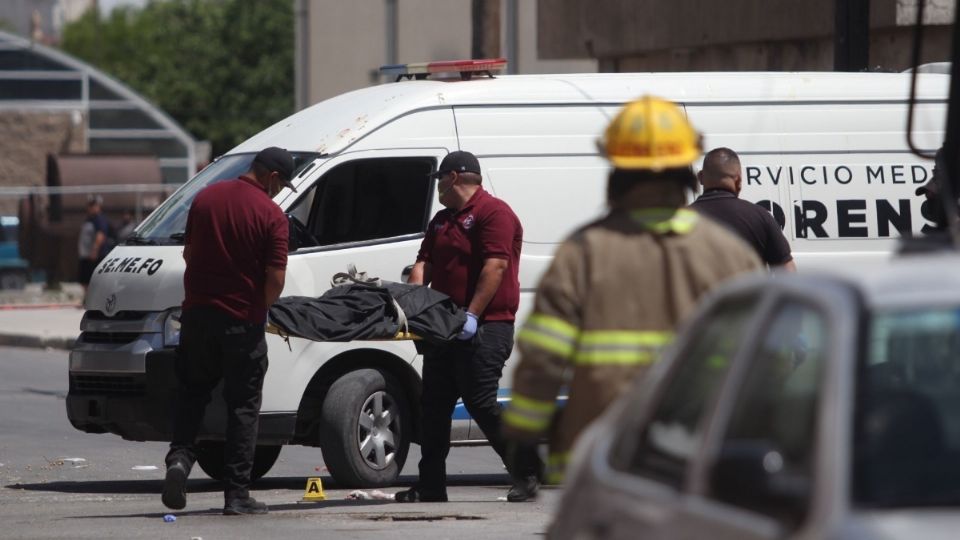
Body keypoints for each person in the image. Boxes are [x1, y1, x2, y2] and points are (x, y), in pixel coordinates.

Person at [502, 97, 763, 485]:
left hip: (600, 463)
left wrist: (523, 433)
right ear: (688, 172)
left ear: (616, 171)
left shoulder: (582, 252)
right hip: (698, 463)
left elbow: (543, 357)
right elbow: (761, 363)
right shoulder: (731, 256)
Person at [396, 150, 542, 503]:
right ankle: (431, 484)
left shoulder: (495, 213)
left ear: (455, 177)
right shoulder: (442, 220)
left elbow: (495, 267)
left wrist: (473, 315)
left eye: (440, 181)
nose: (438, 189)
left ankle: (526, 471)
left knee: (480, 401)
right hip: (444, 327)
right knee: (432, 406)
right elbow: (423, 264)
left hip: (487, 325)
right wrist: (413, 305)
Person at [162, 147, 296, 516]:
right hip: (241, 320)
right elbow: (275, 278)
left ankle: (180, 459)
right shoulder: (271, 215)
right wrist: (259, 309)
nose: (280, 191)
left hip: (197, 316)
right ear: (271, 177)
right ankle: (236, 495)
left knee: (192, 393)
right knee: (243, 407)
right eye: (281, 183)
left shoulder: (205, 199)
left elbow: (189, 255)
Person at [689, 147, 797, 271]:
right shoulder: (760, 216)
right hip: (748, 291)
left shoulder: (680, 220)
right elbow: (787, 272)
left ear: (700, 177)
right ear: (739, 180)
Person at [77, 194, 110, 291]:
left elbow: (100, 235)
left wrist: (95, 250)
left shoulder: (99, 219)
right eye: (90, 205)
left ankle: (93, 300)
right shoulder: (88, 219)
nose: (91, 208)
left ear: (98, 206)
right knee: (84, 280)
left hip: (94, 256)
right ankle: (86, 299)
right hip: (85, 254)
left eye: (94, 205)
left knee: (94, 280)